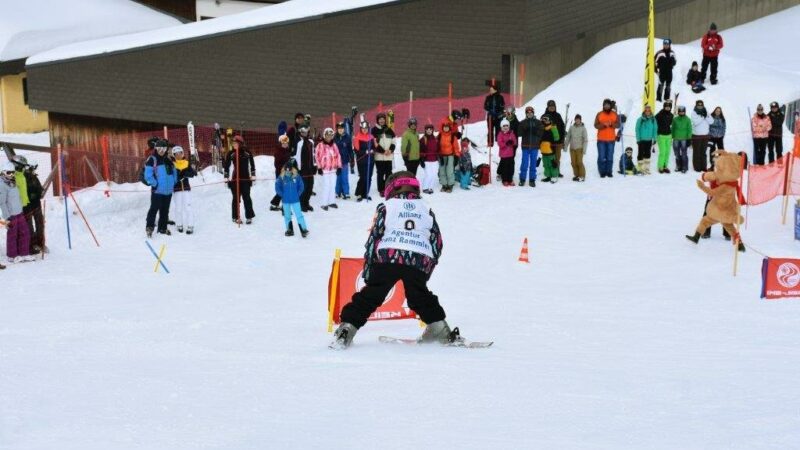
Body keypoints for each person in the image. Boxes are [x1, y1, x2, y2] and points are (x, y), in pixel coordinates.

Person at [330, 171, 448, 349]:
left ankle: (347, 328)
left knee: (371, 295)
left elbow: (374, 238)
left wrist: (370, 271)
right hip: (417, 257)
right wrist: (426, 269)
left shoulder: (387, 207)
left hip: (388, 257)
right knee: (419, 295)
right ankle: (439, 328)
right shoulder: (426, 209)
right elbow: (437, 242)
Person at [0, 162, 34, 263]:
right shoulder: (2, 185)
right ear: (3, 173)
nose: (12, 175)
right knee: (12, 235)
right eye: (9, 173)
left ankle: (24, 254)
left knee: (25, 232)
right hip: (11, 215)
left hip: (19, 213)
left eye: (13, 173)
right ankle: (12, 256)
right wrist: (7, 217)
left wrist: (21, 209)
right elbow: (2, 203)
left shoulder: (13, 183)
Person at [144, 139, 177, 236]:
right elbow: (148, 175)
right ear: (156, 148)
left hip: (168, 191)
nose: (161, 150)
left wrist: (173, 182)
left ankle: (162, 228)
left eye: (164, 148)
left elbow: (174, 172)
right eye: (159, 148)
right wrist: (155, 184)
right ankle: (149, 227)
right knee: (154, 208)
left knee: (165, 210)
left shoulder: (168, 160)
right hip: (157, 191)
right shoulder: (152, 159)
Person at [224, 135, 256, 223]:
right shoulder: (231, 153)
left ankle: (249, 216)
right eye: (233, 143)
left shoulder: (247, 153)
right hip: (235, 179)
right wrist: (226, 177)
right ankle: (236, 216)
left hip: (245, 179)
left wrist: (253, 175)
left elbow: (252, 165)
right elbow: (226, 166)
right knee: (236, 198)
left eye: (235, 143)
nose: (234, 145)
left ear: (240, 143)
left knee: (247, 197)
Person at [275, 159, 309, 238]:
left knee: (299, 215)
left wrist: (297, 194)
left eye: (289, 170)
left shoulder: (296, 176)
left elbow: (301, 186)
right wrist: (282, 194)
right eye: (286, 170)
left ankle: (303, 229)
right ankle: (289, 230)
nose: (288, 172)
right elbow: (277, 187)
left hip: (295, 200)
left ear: (292, 169)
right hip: (285, 200)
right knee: (287, 215)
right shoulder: (281, 177)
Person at [315, 128, 343, 211]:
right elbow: (316, 157)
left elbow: (338, 156)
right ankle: (324, 203)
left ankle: (331, 201)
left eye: (331, 136)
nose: (329, 137)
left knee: (332, 185)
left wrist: (339, 167)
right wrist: (319, 167)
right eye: (327, 135)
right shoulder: (320, 145)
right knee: (326, 185)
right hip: (325, 169)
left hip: (333, 169)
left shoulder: (334, 145)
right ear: (324, 135)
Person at [20, 159, 45, 253]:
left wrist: (40, 192)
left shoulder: (35, 177)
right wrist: (32, 195)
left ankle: (40, 242)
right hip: (27, 206)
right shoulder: (23, 178)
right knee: (29, 226)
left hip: (37, 205)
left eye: (34, 169)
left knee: (40, 224)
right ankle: (32, 244)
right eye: (32, 169)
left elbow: (40, 189)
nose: (34, 171)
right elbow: (23, 192)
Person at [171, 146, 196, 234]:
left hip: (186, 189)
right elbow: (171, 175)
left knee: (188, 207)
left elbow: (193, 173)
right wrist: (177, 177)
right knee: (178, 208)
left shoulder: (186, 162)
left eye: (180, 153)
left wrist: (186, 174)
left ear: (182, 153)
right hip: (177, 189)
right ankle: (179, 224)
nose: (178, 155)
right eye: (176, 154)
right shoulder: (172, 164)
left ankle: (190, 225)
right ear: (173, 155)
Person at [371, 113, 396, 197]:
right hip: (379, 157)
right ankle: (381, 189)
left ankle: (388, 187)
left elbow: (394, 141)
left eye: (383, 119)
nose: (381, 120)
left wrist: (390, 149)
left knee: (389, 173)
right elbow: (374, 142)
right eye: (380, 119)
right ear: (377, 120)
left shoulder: (389, 129)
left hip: (388, 156)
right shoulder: (374, 130)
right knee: (380, 173)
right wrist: (383, 151)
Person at [517, 105, 542, 186]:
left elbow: (542, 132)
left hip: (535, 146)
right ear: (526, 114)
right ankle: (522, 179)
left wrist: (536, 131)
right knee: (524, 163)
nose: (529, 113)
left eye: (531, 112)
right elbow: (519, 133)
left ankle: (532, 179)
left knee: (533, 163)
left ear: (533, 113)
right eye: (528, 112)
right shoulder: (523, 122)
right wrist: (524, 129)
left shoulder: (538, 122)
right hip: (525, 146)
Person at [594, 99, 620, 178]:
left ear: (610, 106)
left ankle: (609, 171)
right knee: (601, 157)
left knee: (609, 157)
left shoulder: (614, 114)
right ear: (603, 106)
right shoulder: (599, 114)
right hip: (601, 140)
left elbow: (618, 125)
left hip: (611, 140)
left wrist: (612, 124)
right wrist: (603, 125)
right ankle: (602, 171)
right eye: (605, 105)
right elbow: (595, 125)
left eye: (608, 105)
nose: (606, 106)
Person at [542, 100, 566, 177]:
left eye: (553, 106)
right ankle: (549, 172)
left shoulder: (558, 115)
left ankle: (557, 171)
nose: (552, 108)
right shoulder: (544, 116)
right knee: (549, 158)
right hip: (548, 142)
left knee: (557, 157)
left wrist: (562, 139)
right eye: (550, 106)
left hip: (558, 141)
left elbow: (562, 127)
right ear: (548, 107)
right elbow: (541, 128)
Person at [296, 125, 317, 210]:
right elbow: (297, 156)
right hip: (303, 169)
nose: (305, 133)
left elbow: (313, 155)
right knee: (304, 187)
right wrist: (299, 168)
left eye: (306, 132)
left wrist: (315, 166)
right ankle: (302, 204)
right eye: (303, 132)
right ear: (300, 132)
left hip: (310, 169)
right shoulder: (299, 143)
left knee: (310, 187)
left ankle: (307, 203)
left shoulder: (311, 142)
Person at [353, 121, 375, 201]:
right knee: (363, 177)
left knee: (369, 177)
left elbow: (375, 147)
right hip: (361, 161)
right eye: (363, 128)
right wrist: (365, 151)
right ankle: (359, 193)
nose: (364, 130)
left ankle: (365, 193)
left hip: (370, 160)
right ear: (360, 128)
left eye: (366, 128)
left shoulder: (371, 137)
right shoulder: (357, 137)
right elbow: (356, 151)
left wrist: (372, 150)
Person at [437, 119, 461, 192]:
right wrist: (438, 153)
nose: (446, 128)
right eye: (444, 127)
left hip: (450, 156)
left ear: (449, 128)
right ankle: (444, 185)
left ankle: (450, 185)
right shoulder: (440, 135)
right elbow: (436, 145)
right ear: (442, 127)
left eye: (447, 127)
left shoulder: (452, 136)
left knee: (449, 171)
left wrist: (456, 156)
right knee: (442, 171)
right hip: (442, 156)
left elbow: (456, 147)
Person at [270, 134, 292, 211]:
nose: (285, 144)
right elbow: (277, 164)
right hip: (281, 174)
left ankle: (274, 203)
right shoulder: (278, 152)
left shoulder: (287, 151)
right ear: (280, 143)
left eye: (286, 143)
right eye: (283, 143)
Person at [690, 99, 713, 172]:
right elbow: (696, 122)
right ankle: (697, 167)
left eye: (701, 105)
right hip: (696, 136)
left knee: (703, 152)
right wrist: (703, 117)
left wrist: (706, 116)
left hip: (705, 136)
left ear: (703, 105)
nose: (700, 106)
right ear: (696, 105)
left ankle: (704, 166)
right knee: (697, 152)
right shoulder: (694, 113)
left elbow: (711, 121)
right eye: (698, 105)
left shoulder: (706, 112)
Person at [333, 121, 354, 200]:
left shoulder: (347, 137)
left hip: (345, 161)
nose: (340, 130)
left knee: (344, 177)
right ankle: (338, 192)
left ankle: (346, 192)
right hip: (336, 161)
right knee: (338, 177)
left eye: (342, 128)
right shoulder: (335, 137)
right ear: (337, 129)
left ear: (344, 129)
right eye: (339, 128)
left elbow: (350, 149)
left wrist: (352, 158)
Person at [565, 114, 588, 182]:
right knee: (573, 163)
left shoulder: (583, 128)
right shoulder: (571, 127)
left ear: (580, 120)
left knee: (579, 162)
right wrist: (566, 146)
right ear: (575, 120)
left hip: (579, 148)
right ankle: (577, 175)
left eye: (579, 119)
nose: (577, 120)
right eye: (576, 119)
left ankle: (582, 176)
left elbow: (585, 139)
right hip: (572, 148)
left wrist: (584, 149)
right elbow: (568, 137)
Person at [635, 105, 657, 175]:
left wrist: (655, 138)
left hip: (649, 140)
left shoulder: (653, 119)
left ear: (650, 111)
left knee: (647, 154)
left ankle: (646, 168)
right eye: (646, 110)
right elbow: (637, 129)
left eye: (649, 110)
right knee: (640, 154)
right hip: (641, 140)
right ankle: (640, 168)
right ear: (644, 111)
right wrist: (638, 139)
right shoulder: (640, 119)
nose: (647, 112)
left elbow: (655, 129)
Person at [419, 123, 439, 194]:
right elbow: (420, 150)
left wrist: (439, 158)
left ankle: (430, 187)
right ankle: (425, 188)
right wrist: (421, 160)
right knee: (428, 174)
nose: (429, 131)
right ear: (425, 130)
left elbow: (438, 149)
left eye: (430, 129)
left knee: (434, 174)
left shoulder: (435, 139)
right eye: (427, 129)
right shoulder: (423, 139)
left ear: (432, 130)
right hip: (426, 160)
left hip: (434, 160)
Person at [672, 105, 692, 173]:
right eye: (680, 112)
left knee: (684, 154)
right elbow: (673, 128)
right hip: (676, 138)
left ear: (684, 112)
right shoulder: (675, 119)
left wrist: (689, 139)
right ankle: (678, 166)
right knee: (676, 153)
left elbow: (689, 129)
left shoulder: (688, 119)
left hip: (684, 139)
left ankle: (684, 167)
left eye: (682, 112)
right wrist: (672, 136)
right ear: (678, 112)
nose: (681, 113)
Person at [655, 100, 674, 173]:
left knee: (667, 152)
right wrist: (656, 133)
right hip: (661, 135)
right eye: (666, 107)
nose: (667, 108)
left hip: (668, 135)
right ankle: (660, 167)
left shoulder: (671, 115)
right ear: (664, 107)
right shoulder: (660, 114)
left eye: (669, 107)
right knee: (662, 152)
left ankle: (665, 166)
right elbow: (655, 122)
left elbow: (671, 124)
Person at [484, 81, 505, 146]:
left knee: (498, 130)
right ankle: (490, 143)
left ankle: (498, 142)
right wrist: (489, 110)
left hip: (498, 116)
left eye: (491, 90)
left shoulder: (500, 97)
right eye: (490, 90)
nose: (490, 91)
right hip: (490, 116)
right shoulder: (488, 97)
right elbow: (485, 106)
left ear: (495, 90)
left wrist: (499, 112)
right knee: (490, 130)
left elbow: (502, 106)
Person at [540, 115, 560, 183]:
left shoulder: (552, 127)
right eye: (544, 119)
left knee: (552, 163)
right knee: (545, 164)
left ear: (550, 120)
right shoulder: (542, 128)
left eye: (547, 119)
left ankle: (554, 176)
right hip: (543, 150)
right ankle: (547, 175)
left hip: (550, 149)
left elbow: (557, 138)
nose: (545, 121)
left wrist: (554, 129)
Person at [497, 119, 517, 186]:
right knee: (505, 168)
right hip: (504, 155)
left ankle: (510, 179)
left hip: (510, 155)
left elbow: (515, 142)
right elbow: (500, 143)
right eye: (504, 126)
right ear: (501, 127)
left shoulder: (511, 133)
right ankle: (505, 180)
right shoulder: (500, 134)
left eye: (507, 126)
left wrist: (512, 142)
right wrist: (506, 143)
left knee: (511, 168)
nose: (505, 127)